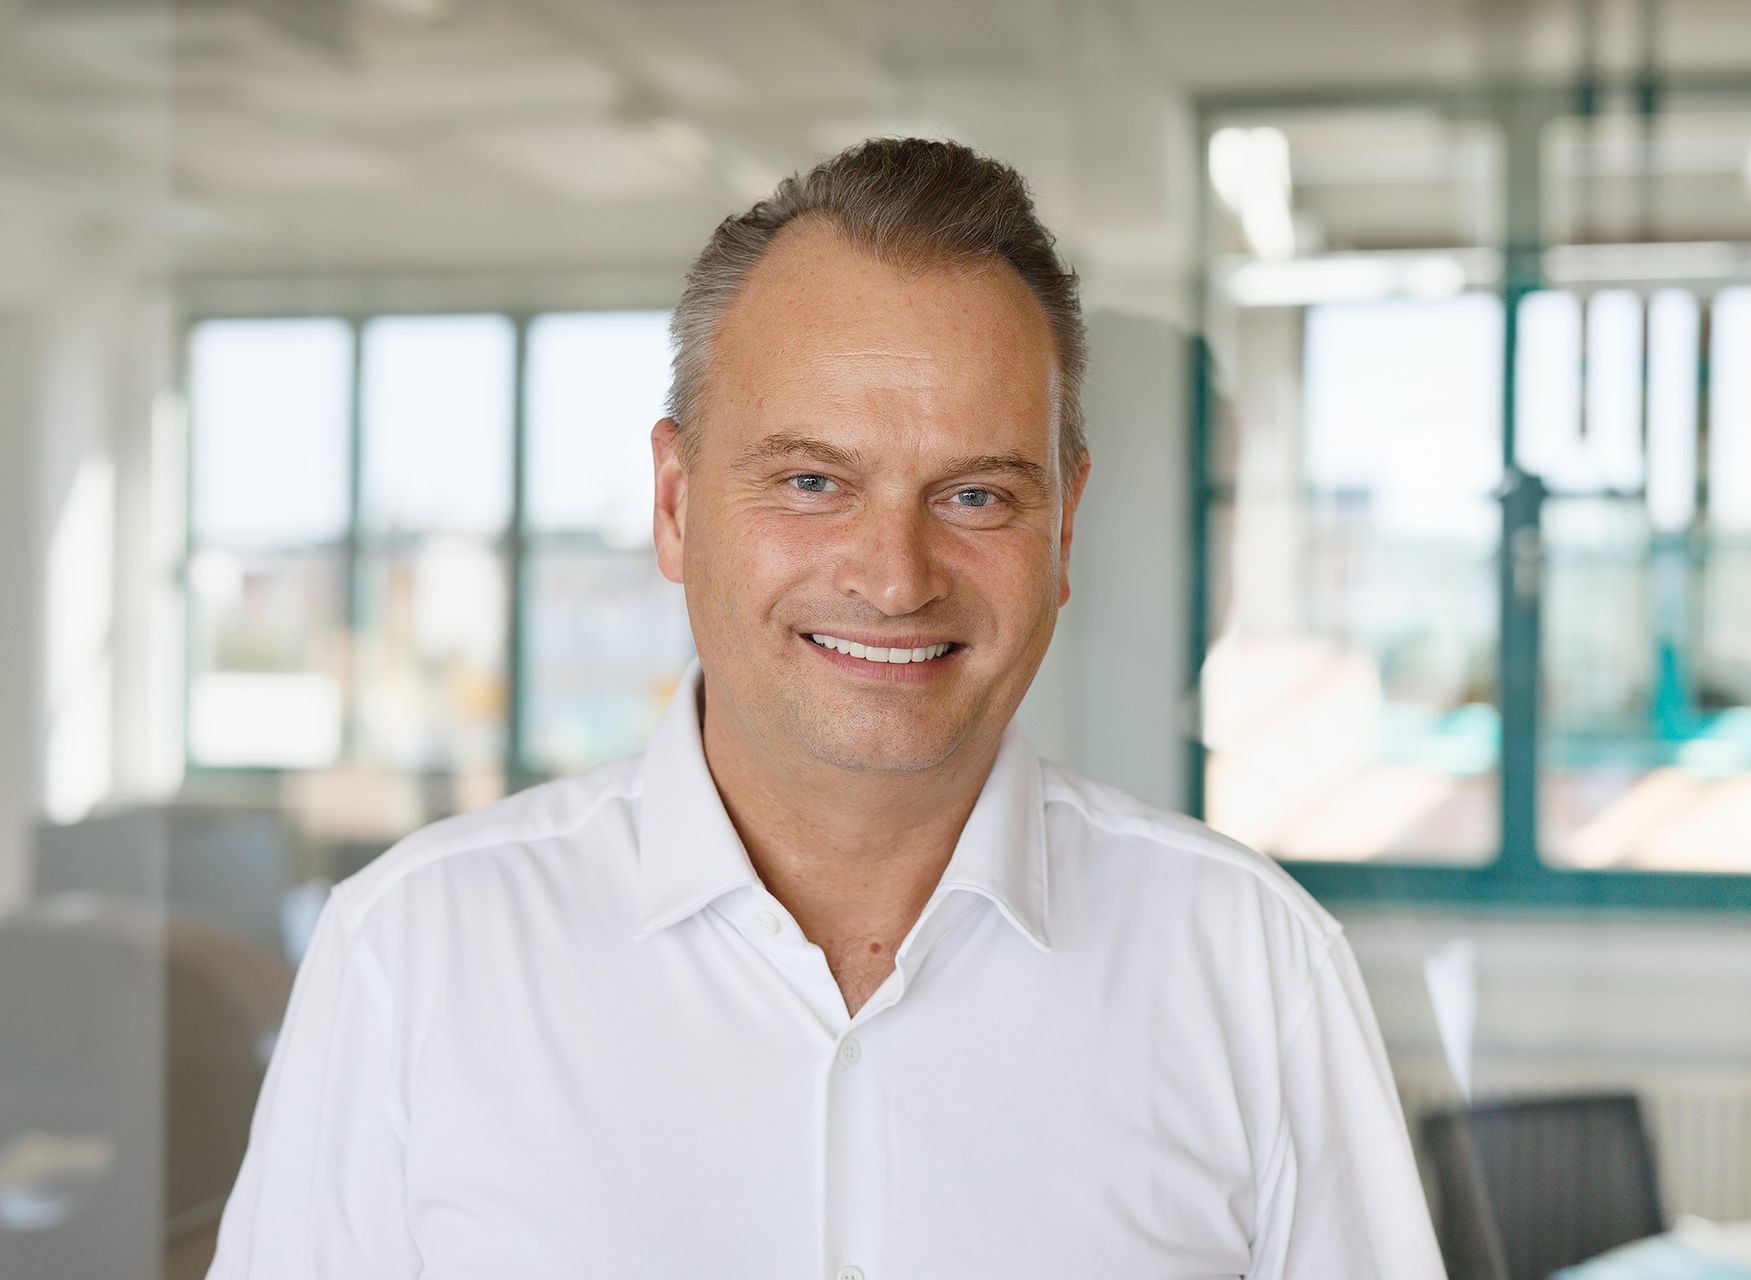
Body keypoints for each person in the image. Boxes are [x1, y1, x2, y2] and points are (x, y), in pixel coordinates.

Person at [207, 137, 1445, 1279]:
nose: (896, 578)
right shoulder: (414, 957)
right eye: (811, 480)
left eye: (976, 495)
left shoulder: (1254, 971)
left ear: (1065, 526)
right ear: (675, 504)